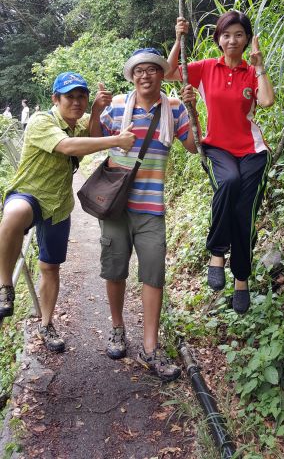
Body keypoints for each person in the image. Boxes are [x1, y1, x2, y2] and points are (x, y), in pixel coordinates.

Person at [0, 72, 135, 352]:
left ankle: (46, 324)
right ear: (55, 99)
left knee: (50, 267)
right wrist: (116, 141)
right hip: (30, 194)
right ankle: (5, 287)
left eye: (81, 97)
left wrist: (97, 110)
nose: (76, 102)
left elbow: (94, 132)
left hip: (59, 205)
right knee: (13, 215)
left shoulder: (82, 122)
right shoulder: (41, 121)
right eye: (69, 97)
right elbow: (67, 147)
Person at [90, 49, 197, 382]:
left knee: (153, 273)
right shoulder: (119, 105)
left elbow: (195, 145)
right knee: (115, 269)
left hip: (151, 209)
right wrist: (96, 109)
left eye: (152, 70)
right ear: (132, 76)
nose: (145, 76)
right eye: (139, 71)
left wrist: (194, 109)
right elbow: (94, 139)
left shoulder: (174, 108)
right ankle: (118, 329)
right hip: (115, 207)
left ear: (161, 74)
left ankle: (150, 348)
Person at [166, 11, 275, 314]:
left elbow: (266, 102)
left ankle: (241, 280)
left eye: (239, 34)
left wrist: (260, 65)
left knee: (245, 214)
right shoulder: (205, 68)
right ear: (218, 39)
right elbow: (169, 71)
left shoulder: (252, 71)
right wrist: (178, 38)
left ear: (247, 38)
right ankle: (217, 253)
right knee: (228, 182)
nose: (232, 40)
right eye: (226, 35)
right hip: (217, 148)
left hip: (252, 151)